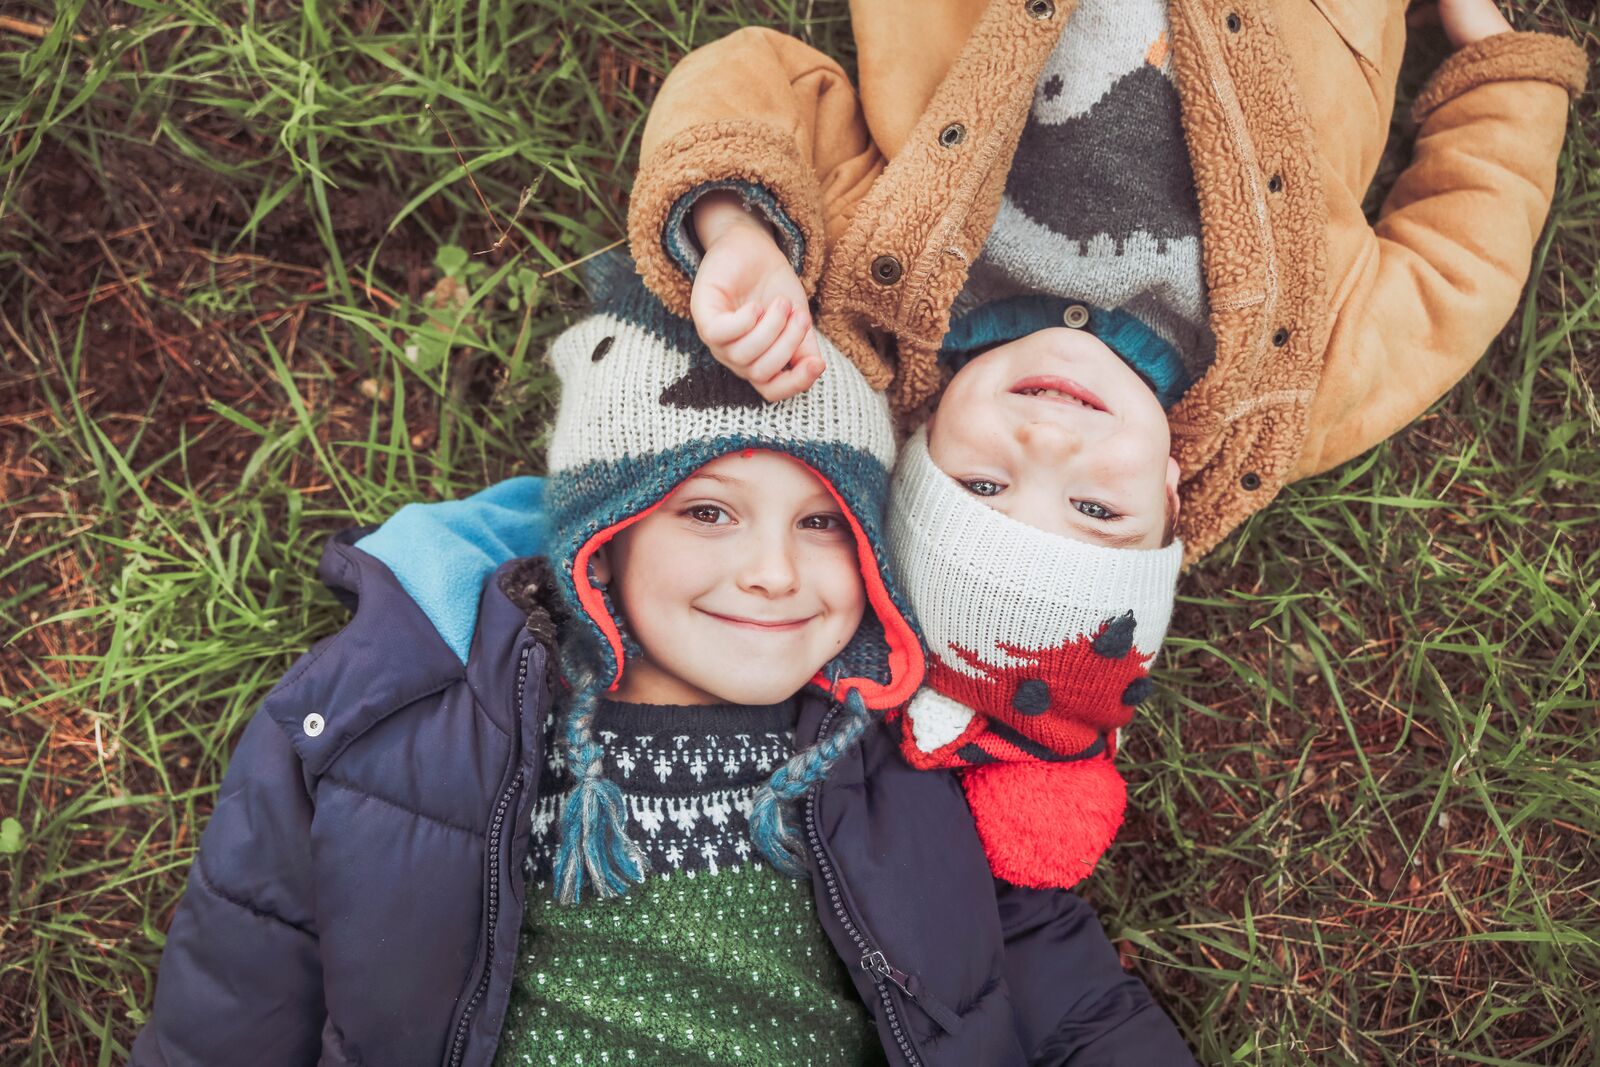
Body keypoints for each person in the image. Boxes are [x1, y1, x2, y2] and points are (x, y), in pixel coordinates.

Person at [128, 261, 1197, 1066]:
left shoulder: (898, 750)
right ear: (605, 539)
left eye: (824, 522)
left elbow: (1061, 987)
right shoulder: (392, 706)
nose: (772, 572)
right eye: (707, 511)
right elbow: (242, 968)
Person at [624, 0, 1588, 565]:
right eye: (1096, 510)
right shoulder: (1299, 395)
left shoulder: (876, 280)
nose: (1049, 445)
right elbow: (1467, 252)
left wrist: (736, 228)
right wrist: (1492, 53)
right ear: (1170, 500)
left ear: (915, 450)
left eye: (982, 484)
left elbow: (757, 76)